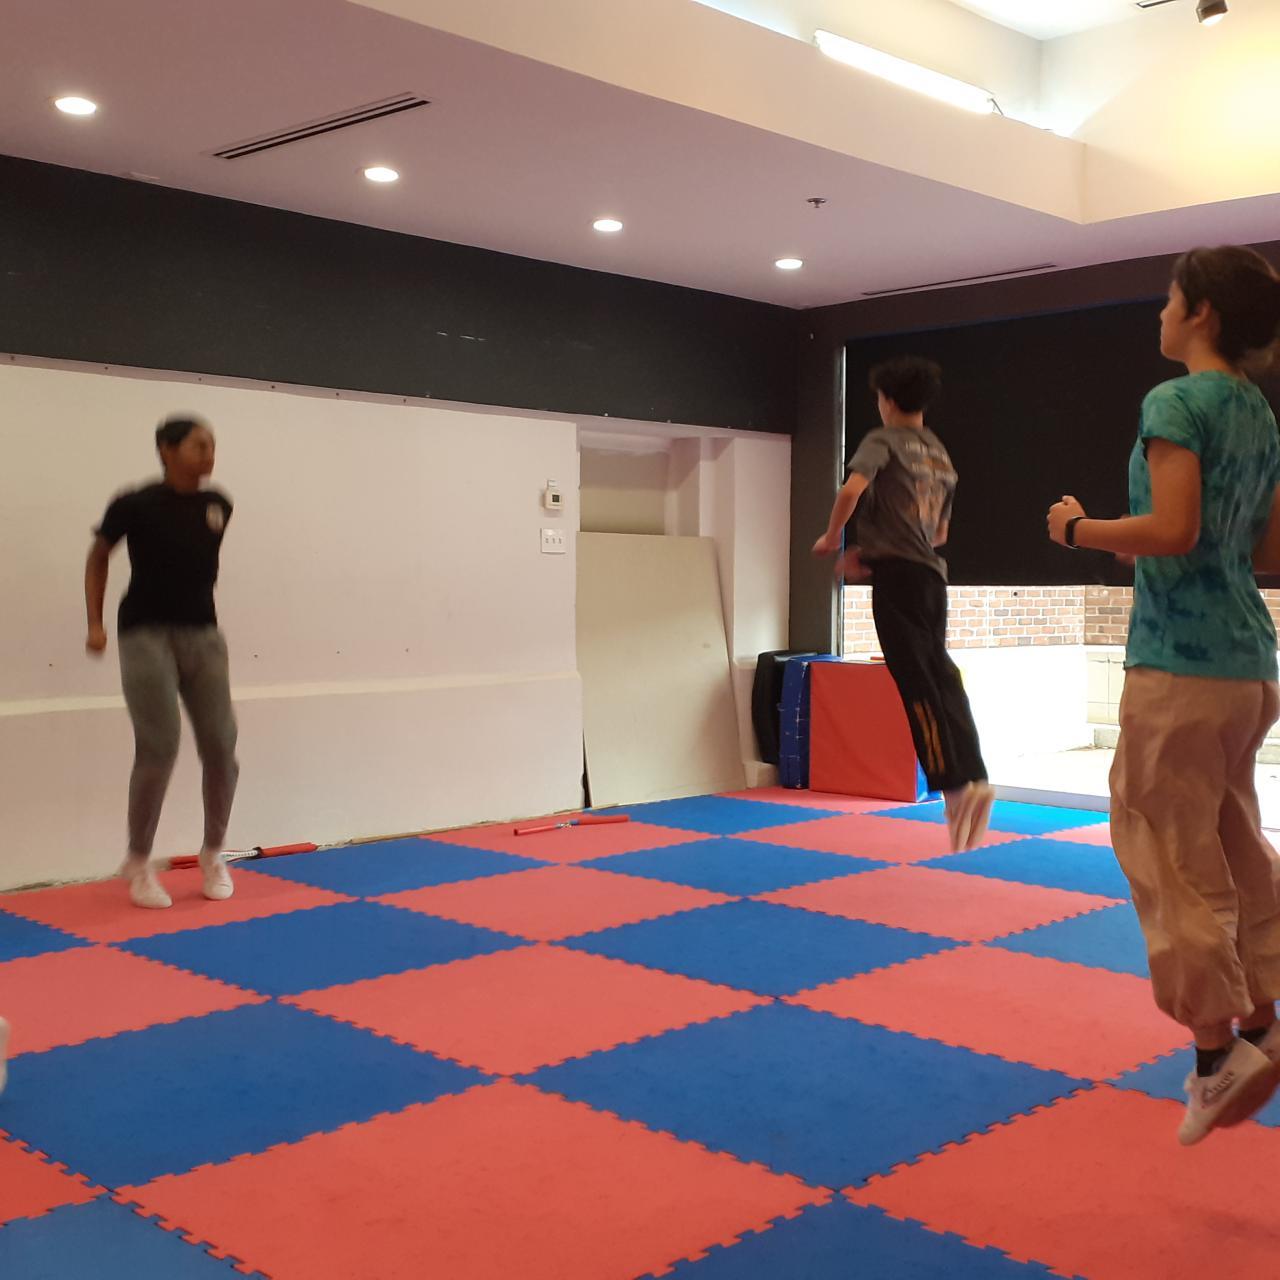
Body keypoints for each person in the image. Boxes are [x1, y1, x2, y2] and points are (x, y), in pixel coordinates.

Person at [1047, 245, 1280, 1145]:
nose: (1159, 313)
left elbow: (1176, 529)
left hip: (1179, 669)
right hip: (1248, 666)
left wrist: (1078, 529)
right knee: (1232, 834)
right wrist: (1152, 541)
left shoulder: (1175, 402)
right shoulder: (1256, 411)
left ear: (1202, 315)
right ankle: (1265, 1016)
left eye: (1169, 299)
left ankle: (1216, 1054)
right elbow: (1261, 550)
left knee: (1160, 844)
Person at [813, 356, 995, 852]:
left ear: (887, 401)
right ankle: (974, 773)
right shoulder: (939, 453)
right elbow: (938, 534)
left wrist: (832, 537)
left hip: (898, 579)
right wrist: (877, 551)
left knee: (915, 680)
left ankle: (953, 785)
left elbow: (852, 489)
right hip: (930, 578)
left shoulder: (883, 439)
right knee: (941, 673)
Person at [85, 415, 239, 909]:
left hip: (204, 635)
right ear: (167, 450)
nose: (209, 453)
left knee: (221, 746)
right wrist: (95, 623)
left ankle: (213, 851)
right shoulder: (135, 504)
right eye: (198, 445)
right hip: (145, 634)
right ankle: (138, 860)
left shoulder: (219, 505)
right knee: (160, 744)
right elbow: (98, 557)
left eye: (212, 445)